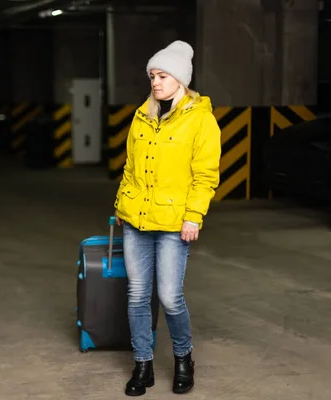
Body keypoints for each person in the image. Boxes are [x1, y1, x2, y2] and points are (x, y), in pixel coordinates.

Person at [113, 40, 221, 396]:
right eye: (152, 76)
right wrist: (120, 209)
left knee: (171, 297)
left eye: (162, 75)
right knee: (137, 296)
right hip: (136, 220)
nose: (156, 82)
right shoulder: (141, 117)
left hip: (175, 223)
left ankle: (183, 358)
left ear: (181, 79)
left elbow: (205, 176)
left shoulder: (201, 120)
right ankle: (142, 365)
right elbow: (130, 168)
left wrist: (194, 217)